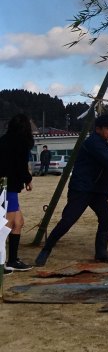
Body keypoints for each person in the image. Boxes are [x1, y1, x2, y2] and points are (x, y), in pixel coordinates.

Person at [35, 115, 108, 267]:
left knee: (106, 216)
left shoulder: (102, 143)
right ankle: (46, 249)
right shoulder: (94, 143)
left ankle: (101, 253)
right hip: (82, 189)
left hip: (95, 190)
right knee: (68, 220)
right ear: (98, 129)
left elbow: (104, 166)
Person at [0, 113, 34, 272]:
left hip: (6, 186)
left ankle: (12, 259)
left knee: (18, 223)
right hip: (9, 187)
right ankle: (3, 262)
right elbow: (21, 165)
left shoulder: (3, 141)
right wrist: (28, 179)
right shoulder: (22, 143)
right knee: (8, 224)